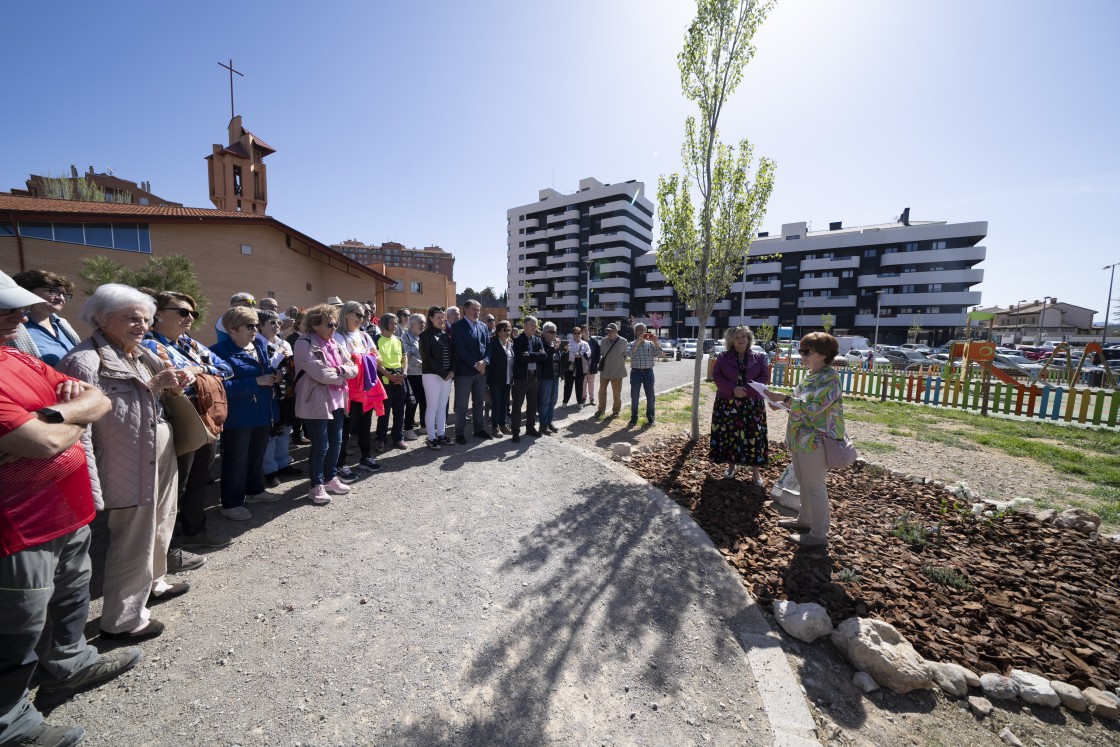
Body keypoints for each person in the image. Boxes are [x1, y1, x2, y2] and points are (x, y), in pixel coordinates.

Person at [0, 273, 143, 747]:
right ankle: (10, 724)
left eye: (17, 308)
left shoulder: (17, 357)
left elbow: (95, 398)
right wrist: (65, 421)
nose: (19, 317)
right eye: (5, 312)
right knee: (18, 622)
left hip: (66, 510)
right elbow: (40, 443)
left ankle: (70, 664)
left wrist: (60, 414)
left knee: (69, 595)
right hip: (17, 525)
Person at [59, 284, 193, 642]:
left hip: (156, 451)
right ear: (102, 318)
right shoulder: (84, 361)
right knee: (132, 536)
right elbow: (80, 424)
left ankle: (154, 583)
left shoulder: (140, 352)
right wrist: (86, 484)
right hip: (124, 461)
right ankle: (121, 620)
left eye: (146, 318)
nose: (142, 325)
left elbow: (157, 394)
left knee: (163, 519)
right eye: (132, 317)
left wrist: (178, 380)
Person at [140, 289, 234, 563]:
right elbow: (174, 380)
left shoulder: (188, 344)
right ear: (157, 314)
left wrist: (197, 370)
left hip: (202, 415)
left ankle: (195, 531)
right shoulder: (148, 344)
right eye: (182, 312)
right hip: (176, 417)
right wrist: (198, 371)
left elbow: (226, 368)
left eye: (192, 313)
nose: (189, 317)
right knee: (174, 485)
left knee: (198, 478)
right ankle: (166, 550)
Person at [763, 332, 846, 548]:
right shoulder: (811, 375)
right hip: (801, 439)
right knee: (804, 483)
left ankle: (819, 535)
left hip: (816, 442)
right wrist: (783, 404)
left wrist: (786, 399)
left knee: (815, 487)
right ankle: (805, 520)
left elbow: (814, 408)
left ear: (823, 354)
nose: (802, 355)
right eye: (801, 350)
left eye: (806, 351)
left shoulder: (831, 379)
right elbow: (800, 404)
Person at [209, 307, 282, 522]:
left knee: (256, 455)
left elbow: (265, 370)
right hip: (238, 415)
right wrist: (255, 382)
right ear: (232, 329)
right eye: (249, 326)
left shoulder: (259, 345)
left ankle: (254, 491)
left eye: (256, 325)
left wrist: (275, 375)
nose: (255, 330)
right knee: (235, 459)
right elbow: (218, 386)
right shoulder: (218, 351)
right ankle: (231, 504)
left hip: (262, 411)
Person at [293, 304, 358, 504]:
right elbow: (320, 374)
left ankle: (330, 478)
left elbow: (354, 368)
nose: (334, 329)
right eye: (330, 324)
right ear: (315, 325)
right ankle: (316, 485)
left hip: (337, 399)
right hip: (315, 401)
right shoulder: (304, 343)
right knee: (321, 445)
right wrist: (341, 373)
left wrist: (338, 372)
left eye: (336, 325)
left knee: (336, 442)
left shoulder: (334, 344)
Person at [711, 326, 770, 485]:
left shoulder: (759, 357)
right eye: (737, 337)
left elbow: (764, 377)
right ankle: (731, 466)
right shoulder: (723, 357)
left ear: (749, 338)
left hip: (752, 403)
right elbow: (716, 375)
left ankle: (755, 471)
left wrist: (747, 391)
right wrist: (733, 389)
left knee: (754, 436)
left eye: (743, 336)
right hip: (728, 402)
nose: (741, 340)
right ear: (731, 340)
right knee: (731, 434)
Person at [334, 301, 381, 473]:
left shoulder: (364, 336)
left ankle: (366, 457)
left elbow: (378, 358)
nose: (362, 319)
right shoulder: (338, 337)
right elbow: (344, 362)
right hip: (347, 389)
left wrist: (361, 359)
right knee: (345, 427)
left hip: (365, 387)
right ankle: (340, 464)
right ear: (346, 313)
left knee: (365, 424)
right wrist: (366, 357)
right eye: (358, 315)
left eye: (364, 315)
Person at [257, 309, 302, 486]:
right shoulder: (256, 344)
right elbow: (265, 367)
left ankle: (283, 463)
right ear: (260, 326)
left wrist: (283, 373)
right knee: (271, 433)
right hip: (268, 393)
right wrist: (279, 354)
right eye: (271, 323)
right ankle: (270, 469)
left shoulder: (282, 342)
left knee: (285, 430)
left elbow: (289, 366)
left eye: (278, 322)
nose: (277, 325)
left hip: (285, 392)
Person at [5, 270, 81, 367]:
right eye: (54, 291)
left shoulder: (62, 324)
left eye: (64, 295)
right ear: (30, 290)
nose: (61, 298)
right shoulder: (13, 327)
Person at [450, 300, 490, 444]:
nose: (477, 312)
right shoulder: (457, 327)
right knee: (461, 404)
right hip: (464, 372)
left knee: (479, 402)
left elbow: (488, 347)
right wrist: (475, 364)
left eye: (478, 310)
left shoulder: (483, 326)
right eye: (474, 309)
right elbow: (459, 349)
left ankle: (479, 430)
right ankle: (459, 432)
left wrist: (485, 362)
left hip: (481, 372)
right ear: (465, 310)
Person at [418, 306, 455, 450]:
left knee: (442, 407)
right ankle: (431, 438)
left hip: (447, 375)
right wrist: (444, 373)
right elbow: (427, 358)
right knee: (432, 407)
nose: (441, 320)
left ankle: (441, 434)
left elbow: (453, 356)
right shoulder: (425, 335)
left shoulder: (446, 335)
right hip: (432, 375)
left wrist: (452, 371)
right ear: (431, 318)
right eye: (438, 317)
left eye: (443, 317)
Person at [510, 316, 546, 443]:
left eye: (535, 326)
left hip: (534, 376)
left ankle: (530, 428)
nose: (534, 328)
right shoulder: (518, 340)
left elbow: (544, 356)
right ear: (524, 325)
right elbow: (520, 358)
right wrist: (536, 356)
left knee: (532, 405)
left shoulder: (537, 340)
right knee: (517, 406)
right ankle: (515, 432)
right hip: (521, 378)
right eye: (531, 325)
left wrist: (530, 354)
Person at [375, 313, 408, 450]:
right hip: (384, 380)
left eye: (396, 323)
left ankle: (398, 437)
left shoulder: (399, 340)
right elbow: (375, 362)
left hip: (400, 379)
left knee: (400, 412)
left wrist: (404, 373)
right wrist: (389, 375)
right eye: (392, 323)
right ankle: (380, 439)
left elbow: (404, 359)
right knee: (384, 412)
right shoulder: (376, 339)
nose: (395, 326)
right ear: (384, 324)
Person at [627, 322, 659, 426]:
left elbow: (659, 354)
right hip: (636, 372)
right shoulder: (632, 343)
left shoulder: (650, 344)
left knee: (650, 396)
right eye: (639, 330)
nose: (642, 331)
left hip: (648, 372)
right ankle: (634, 417)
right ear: (635, 332)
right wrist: (637, 344)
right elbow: (629, 355)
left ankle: (650, 417)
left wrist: (656, 342)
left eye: (643, 329)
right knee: (635, 396)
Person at [401, 313, 426, 441]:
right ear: (411, 325)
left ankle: (424, 425)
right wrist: (422, 363)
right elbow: (407, 355)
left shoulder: (424, 337)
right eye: (419, 322)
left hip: (425, 374)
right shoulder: (405, 337)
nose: (423, 325)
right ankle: (408, 428)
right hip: (412, 374)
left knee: (425, 400)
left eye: (423, 322)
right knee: (412, 401)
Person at [486, 320, 514, 437]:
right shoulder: (493, 344)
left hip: (508, 379)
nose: (508, 332)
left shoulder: (511, 344)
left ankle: (503, 425)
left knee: (505, 403)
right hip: (496, 380)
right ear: (498, 332)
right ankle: (495, 427)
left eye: (509, 330)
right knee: (496, 403)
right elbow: (488, 361)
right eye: (505, 330)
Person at [595, 323, 628, 418]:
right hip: (605, 370)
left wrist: (618, 363)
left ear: (616, 331)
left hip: (617, 371)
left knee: (616, 393)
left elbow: (625, 356)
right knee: (601, 392)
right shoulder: (604, 341)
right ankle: (601, 410)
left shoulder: (623, 341)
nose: (609, 333)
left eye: (611, 331)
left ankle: (616, 411)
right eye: (608, 331)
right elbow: (602, 354)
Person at [537, 322, 563, 435]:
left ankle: (549, 422)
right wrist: (554, 348)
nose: (554, 334)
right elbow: (544, 358)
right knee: (544, 401)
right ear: (545, 333)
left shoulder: (554, 345)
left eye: (555, 332)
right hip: (545, 377)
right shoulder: (540, 344)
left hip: (555, 377)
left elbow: (558, 360)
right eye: (552, 332)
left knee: (552, 401)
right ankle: (543, 425)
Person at [563, 327, 590, 407]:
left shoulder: (585, 344)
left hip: (580, 365)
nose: (577, 334)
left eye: (579, 333)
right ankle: (565, 402)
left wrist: (581, 355)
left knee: (579, 386)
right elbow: (563, 354)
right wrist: (567, 351)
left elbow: (589, 353)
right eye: (575, 333)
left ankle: (580, 402)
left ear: (581, 334)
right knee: (568, 385)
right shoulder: (568, 342)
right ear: (572, 334)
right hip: (570, 366)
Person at [582, 324, 601, 407]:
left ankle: (592, 399)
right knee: (583, 383)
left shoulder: (593, 341)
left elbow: (598, 352)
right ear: (581, 332)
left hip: (592, 365)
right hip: (582, 366)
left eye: (587, 330)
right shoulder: (580, 341)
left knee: (591, 383)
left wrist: (596, 362)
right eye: (585, 330)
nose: (587, 332)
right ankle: (583, 398)